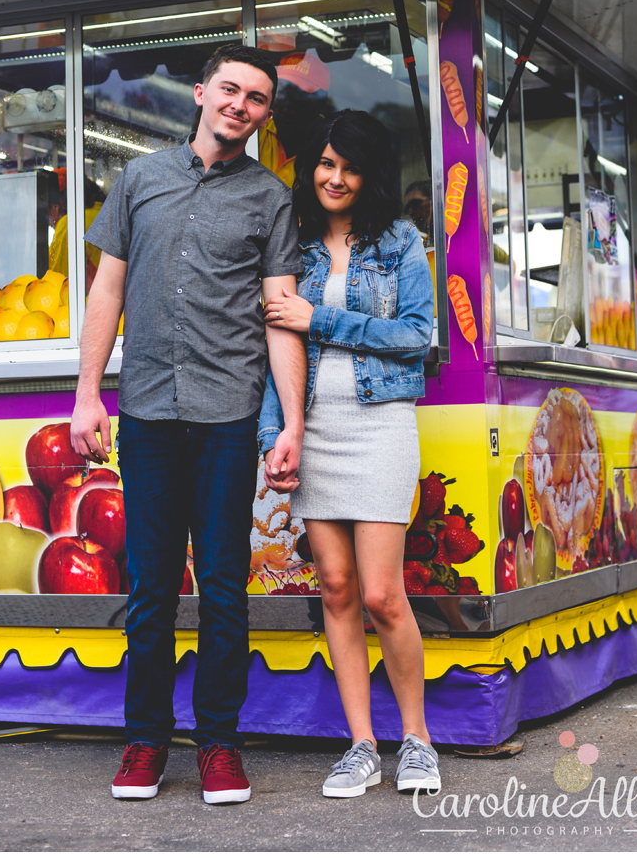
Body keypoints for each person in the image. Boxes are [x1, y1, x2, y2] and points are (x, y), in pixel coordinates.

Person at [71, 44, 306, 805]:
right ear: (201, 92)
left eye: (257, 99)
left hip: (228, 413)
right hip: (143, 410)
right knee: (148, 588)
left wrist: (290, 421)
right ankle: (145, 742)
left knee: (226, 588)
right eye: (231, 90)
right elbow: (107, 291)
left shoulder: (270, 197)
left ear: (265, 115)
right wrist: (86, 394)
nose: (240, 105)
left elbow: (278, 315)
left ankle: (220, 746)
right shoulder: (139, 178)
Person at [256, 110, 439, 798]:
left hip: (381, 423)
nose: (335, 178)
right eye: (325, 164)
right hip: (315, 426)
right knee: (333, 588)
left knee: (383, 593)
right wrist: (276, 432)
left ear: (371, 174)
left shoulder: (398, 240)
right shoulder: (292, 243)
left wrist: (321, 318)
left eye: (349, 167)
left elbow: (415, 335)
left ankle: (417, 739)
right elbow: (277, 351)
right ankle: (360, 743)